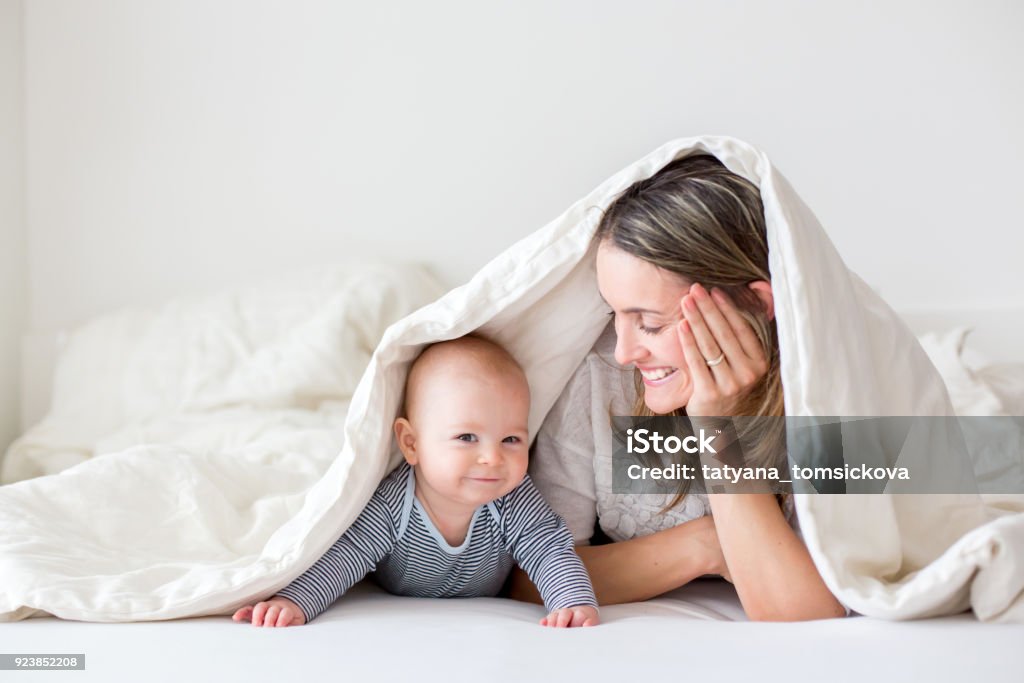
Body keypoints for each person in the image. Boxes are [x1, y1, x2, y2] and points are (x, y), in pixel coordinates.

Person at [511, 154, 847, 621]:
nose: (626, 351)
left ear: (754, 303)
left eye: (648, 323)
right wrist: (704, 544)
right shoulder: (600, 375)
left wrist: (717, 424)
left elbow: (805, 616)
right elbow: (531, 577)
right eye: (615, 315)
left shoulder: (827, 397)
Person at [233, 335, 599, 628]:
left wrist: (572, 602)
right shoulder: (394, 505)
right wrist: (293, 602)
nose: (493, 458)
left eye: (511, 440)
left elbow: (548, 548)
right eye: (467, 438)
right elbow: (345, 557)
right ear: (411, 443)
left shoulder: (512, 497)